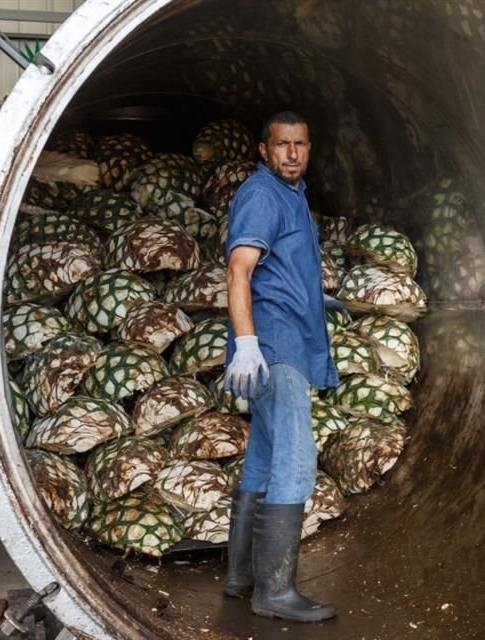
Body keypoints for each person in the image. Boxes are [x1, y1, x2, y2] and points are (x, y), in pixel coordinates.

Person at [222, 111, 339, 623]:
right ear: (263, 150)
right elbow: (239, 268)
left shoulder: (292, 195)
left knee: (265, 458)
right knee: (294, 460)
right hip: (275, 347)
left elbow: (281, 267)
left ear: (309, 149)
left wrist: (317, 297)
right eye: (282, 145)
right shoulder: (262, 194)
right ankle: (275, 592)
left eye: (300, 145)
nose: (292, 153)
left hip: (286, 333)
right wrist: (248, 343)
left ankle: (240, 576)